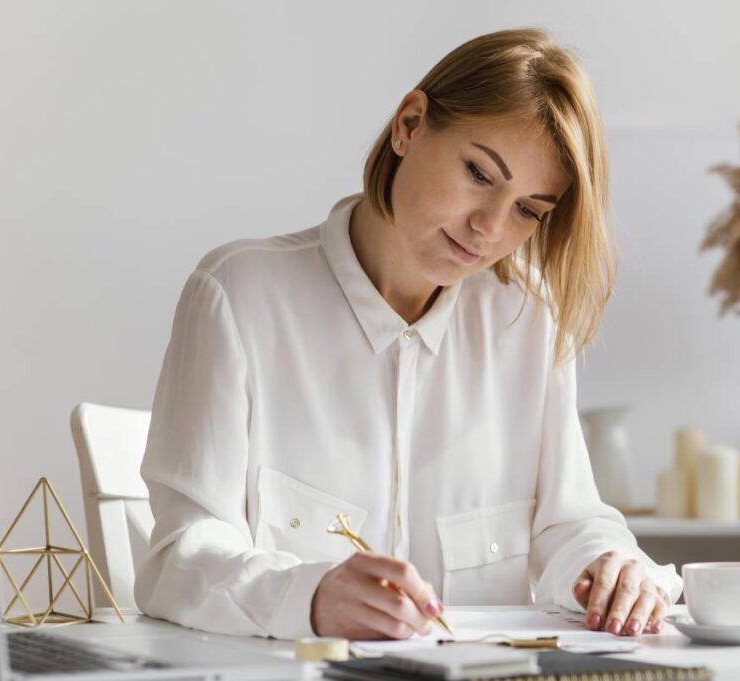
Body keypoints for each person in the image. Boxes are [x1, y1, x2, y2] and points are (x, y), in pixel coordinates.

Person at [135, 27, 682, 642]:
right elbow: (178, 558)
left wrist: (613, 567)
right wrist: (307, 598)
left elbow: (569, 523)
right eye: (479, 173)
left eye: (529, 209)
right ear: (409, 125)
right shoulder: (238, 297)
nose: (489, 228)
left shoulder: (526, 316)